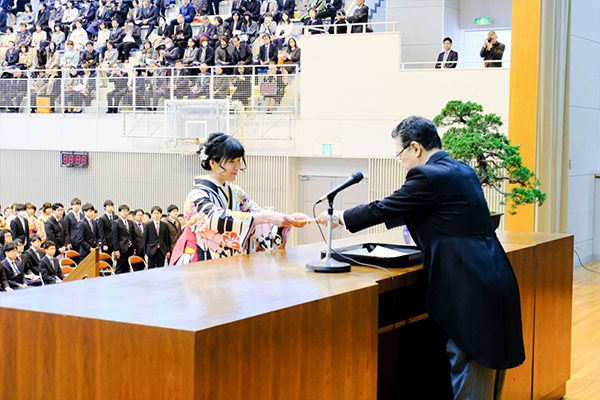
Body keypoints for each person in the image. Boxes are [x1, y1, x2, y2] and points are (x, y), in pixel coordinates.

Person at [316, 116, 526, 399]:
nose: (400, 161)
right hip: (494, 275)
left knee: (471, 366)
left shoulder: (427, 175)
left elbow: (385, 207)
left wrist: (341, 217)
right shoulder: (460, 169)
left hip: (470, 287)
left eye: (399, 154)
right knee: (488, 372)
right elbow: (418, 207)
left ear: (415, 148)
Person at [169, 133, 308, 264]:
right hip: (199, 256)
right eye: (231, 161)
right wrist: (266, 217)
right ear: (213, 163)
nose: (237, 166)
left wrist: (287, 219)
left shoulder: (236, 193)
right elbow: (215, 218)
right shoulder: (197, 195)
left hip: (226, 262)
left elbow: (257, 213)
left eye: (238, 160)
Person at [112, 204, 135, 274]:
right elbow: (115, 237)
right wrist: (116, 250)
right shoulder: (116, 222)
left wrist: (134, 248)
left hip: (129, 248)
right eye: (124, 211)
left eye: (127, 211)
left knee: (127, 267)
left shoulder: (130, 222)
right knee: (120, 267)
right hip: (121, 248)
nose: (126, 213)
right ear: (119, 212)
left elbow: (132, 236)